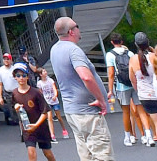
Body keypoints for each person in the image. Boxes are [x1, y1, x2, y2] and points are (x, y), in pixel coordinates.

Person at [48, 16, 113, 161]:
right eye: (77, 26)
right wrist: (100, 99)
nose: (79, 28)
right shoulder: (73, 50)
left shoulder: (55, 49)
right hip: (87, 111)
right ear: (71, 31)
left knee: (86, 154)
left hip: (72, 110)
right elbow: (86, 77)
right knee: (101, 154)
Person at [130, 32, 157, 158]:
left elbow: (133, 80)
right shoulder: (155, 57)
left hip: (145, 95)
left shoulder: (133, 60)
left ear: (136, 44)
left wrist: (139, 90)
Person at [11, 66, 56, 161]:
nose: (21, 78)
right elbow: (14, 107)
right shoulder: (14, 93)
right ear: (15, 77)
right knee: (31, 152)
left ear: (27, 77)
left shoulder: (36, 92)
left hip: (40, 127)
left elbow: (45, 111)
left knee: (48, 153)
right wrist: (16, 108)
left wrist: (36, 125)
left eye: (24, 75)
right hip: (28, 129)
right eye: (18, 75)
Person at [105, 35, 137, 146]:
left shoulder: (110, 55)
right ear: (122, 41)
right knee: (141, 110)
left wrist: (110, 90)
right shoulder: (130, 53)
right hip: (134, 84)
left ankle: (128, 137)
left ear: (112, 42)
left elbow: (111, 74)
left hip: (121, 86)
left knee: (126, 112)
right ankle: (147, 136)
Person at [0, 50, 25, 129]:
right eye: (4, 59)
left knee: (19, 106)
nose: (6, 61)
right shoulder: (0, 70)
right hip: (7, 92)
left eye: (8, 59)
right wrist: (0, 97)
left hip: (17, 91)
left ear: (11, 60)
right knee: (9, 107)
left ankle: (21, 120)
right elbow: (0, 84)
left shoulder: (15, 69)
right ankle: (13, 120)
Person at [36, 67, 68, 140]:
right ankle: (52, 134)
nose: (45, 72)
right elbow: (40, 92)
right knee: (49, 118)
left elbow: (54, 89)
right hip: (47, 102)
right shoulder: (40, 83)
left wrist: (55, 95)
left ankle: (64, 129)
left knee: (59, 117)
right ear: (40, 74)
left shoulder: (50, 80)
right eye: (43, 71)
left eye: (45, 71)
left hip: (54, 101)